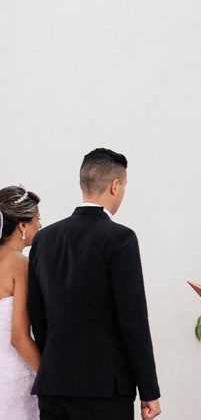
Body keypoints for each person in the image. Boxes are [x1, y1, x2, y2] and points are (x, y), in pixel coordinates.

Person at [27, 148, 161, 420]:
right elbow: (132, 320)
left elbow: (37, 315)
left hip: (54, 385)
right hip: (104, 389)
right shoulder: (120, 238)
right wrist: (149, 390)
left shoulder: (45, 239)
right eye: (124, 185)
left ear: (82, 184)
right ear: (115, 186)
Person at [0, 186, 43, 420]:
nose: (41, 226)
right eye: (37, 219)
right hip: (12, 378)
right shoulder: (20, 264)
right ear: (22, 226)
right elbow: (18, 337)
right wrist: (49, 378)